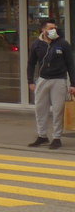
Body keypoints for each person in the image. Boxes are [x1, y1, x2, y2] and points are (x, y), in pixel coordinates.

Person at [26, 20, 75, 150]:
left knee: (58, 110)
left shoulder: (63, 43)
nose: (54, 30)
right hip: (43, 79)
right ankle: (42, 136)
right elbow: (31, 63)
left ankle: (57, 137)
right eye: (51, 28)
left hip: (59, 80)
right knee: (40, 108)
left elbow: (70, 64)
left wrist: (73, 84)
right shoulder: (37, 44)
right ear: (43, 30)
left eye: (55, 27)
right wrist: (30, 81)